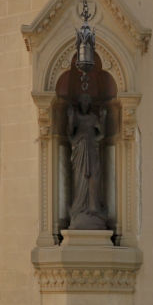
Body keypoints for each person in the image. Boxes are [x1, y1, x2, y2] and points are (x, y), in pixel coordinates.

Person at [66, 94, 108, 229]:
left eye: (87, 101)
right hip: (79, 153)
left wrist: (103, 118)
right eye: (83, 101)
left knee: (93, 179)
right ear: (79, 103)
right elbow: (70, 134)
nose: (85, 104)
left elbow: (101, 135)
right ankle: (78, 209)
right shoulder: (76, 117)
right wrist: (70, 118)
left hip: (92, 152)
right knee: (80, 179)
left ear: (89, 104)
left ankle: (93, 208)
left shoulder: (93, 118)